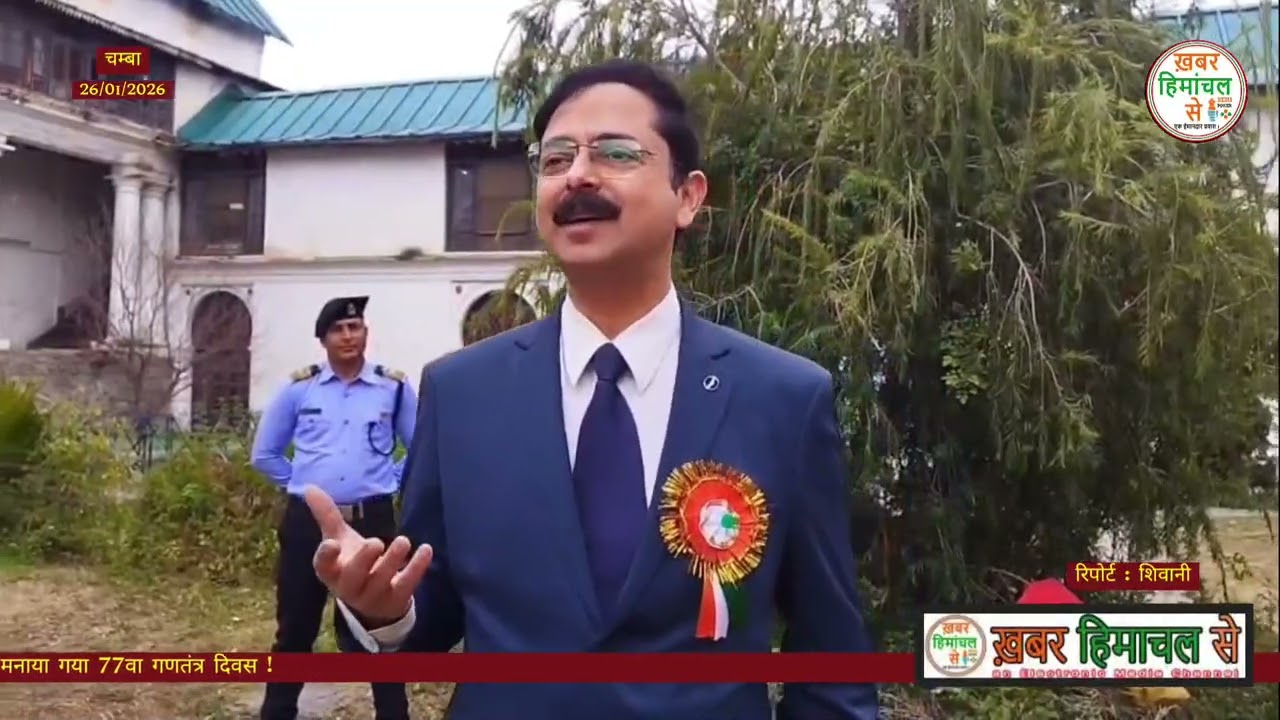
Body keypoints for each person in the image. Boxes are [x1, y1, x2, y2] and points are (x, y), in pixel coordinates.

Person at [307, 61, 879, 719]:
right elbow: (429, 616)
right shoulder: (461, 392)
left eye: (615, 153)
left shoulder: (782, 398)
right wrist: (384, 609)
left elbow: (833, 664)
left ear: (688, 196)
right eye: (555, 159)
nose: (577, 175)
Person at [251, 295, 417, 720]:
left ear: (365, 332)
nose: (348, 336)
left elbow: (420, 449)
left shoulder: (393, 388)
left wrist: (390, 481)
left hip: (371, 520)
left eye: (354, 327)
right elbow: (264, 454)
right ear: (323, 340)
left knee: (383, 629)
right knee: (295, 628)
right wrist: (307, 490)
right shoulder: (300, 389)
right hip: (309, 525)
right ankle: (277, 713)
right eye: (338, 330)